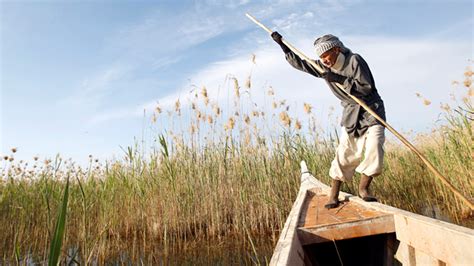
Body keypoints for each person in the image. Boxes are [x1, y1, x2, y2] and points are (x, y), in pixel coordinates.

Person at [271, 32, 386, 209]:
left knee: (375, 146)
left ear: (337, 50)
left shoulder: (354, 60)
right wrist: (282, 45)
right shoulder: (324, 67)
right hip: (350, 112)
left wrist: (340, 79)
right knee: (345, 152)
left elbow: (366, 88)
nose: (324, 60)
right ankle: (334, 194)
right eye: (321, 57)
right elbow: (302, 64)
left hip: (371, 109)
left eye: (326, 55)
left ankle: (364, 188)